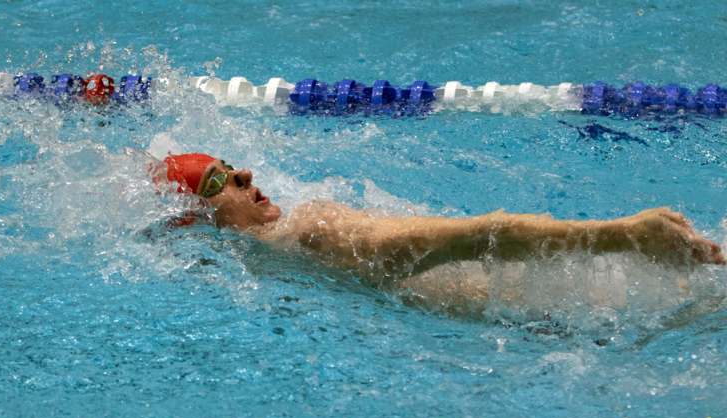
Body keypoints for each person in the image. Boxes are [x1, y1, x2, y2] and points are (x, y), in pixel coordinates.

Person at [150, 152, 725, 287]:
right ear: (197, 215)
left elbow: (474, 235)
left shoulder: (311, 228)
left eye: (235, 166)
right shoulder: (282, 253)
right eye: (221, 180)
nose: (247, 176)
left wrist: (621, 235)